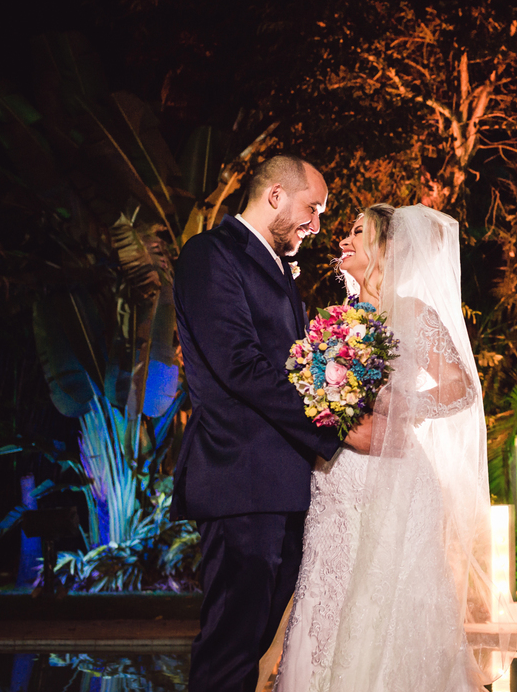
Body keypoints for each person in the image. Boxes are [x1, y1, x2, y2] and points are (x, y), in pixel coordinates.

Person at [276, 204, 516, 692]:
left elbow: (462, 387)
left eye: (357, 232)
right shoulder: (333, 320)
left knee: (390, 594)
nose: (343, 239)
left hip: (398, 477)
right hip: (336, 477)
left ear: (385, 247)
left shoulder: (412, 312)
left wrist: (402, 401)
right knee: (329, 587)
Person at [173, 154, 364, 692]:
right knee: (230, 645)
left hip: (285, 484)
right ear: (275, 195)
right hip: (240, 479)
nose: (318, 224)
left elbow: (295, 366)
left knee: (264, 652)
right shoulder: (210, 255)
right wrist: (333, 428)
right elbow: (241, 366)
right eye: (314, 208)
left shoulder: (281, 268)